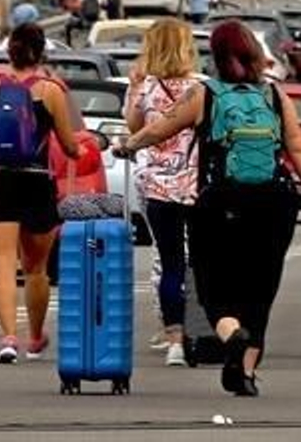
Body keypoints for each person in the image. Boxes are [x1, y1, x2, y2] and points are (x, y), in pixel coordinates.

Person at [116, 20, 301, 397]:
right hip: (275, 202)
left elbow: (158, 130)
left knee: (213, 288)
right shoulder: (276, 95)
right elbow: (297, 148)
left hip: (219, 201)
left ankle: (231, 334)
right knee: (260, 289)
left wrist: (128, 145)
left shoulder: (205, 94)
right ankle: (244, 372)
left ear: (215, 55)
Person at [0, 22, 81, 364]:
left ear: (9, 51)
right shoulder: (51, 91)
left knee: (3, 264)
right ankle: (35, 337)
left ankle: (8, 338)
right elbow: (69, 146)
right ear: (41, 53)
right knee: (36, 269)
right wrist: (85, 147)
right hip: (37, 182)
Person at [123, 19, 202, 365]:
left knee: (169, 262)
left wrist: (134, 87)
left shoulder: (148, 89)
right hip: (198, 188)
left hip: (157, 186)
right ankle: (206, 329)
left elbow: (133, 127)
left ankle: (174, 340)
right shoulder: (203, 88)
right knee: (200, 263)